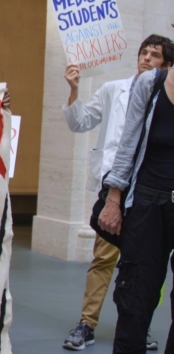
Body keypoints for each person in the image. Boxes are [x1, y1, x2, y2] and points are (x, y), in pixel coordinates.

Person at [61, 34, 174, 351]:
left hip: (152, 194)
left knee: (148, 271)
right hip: (122, 191)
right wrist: (73, 89)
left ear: (166, 63)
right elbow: (81, 122)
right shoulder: (117, 89)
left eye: (155, 55)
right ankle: (88, 323)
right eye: (144, 52)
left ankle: (143, 322)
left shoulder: (157, 88)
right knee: (107, 262)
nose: (146, 58)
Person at [99, 48, 174, 353]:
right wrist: (114, 199)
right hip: (146, 203)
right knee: (136, 296)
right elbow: (128, 141)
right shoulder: (151, 83)